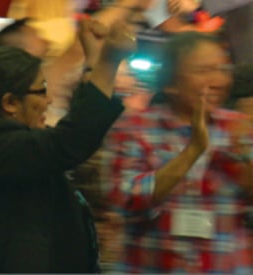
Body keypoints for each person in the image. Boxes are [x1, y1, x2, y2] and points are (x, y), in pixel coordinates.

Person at [0, 12, 144, 272]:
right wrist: (108, 62)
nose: (49, 101)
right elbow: (68, 143)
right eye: (41, 91)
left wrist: (93, 57)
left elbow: (72, 131)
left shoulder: (4, 140)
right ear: (10, 103)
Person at [101, 31, 253, 274]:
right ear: (171, 84)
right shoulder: (133, 128)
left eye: (223, 69)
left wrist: (244, 159)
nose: (218, 80)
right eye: (203, 71)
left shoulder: (241, 128)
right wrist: (192, 151)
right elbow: (124, 199)